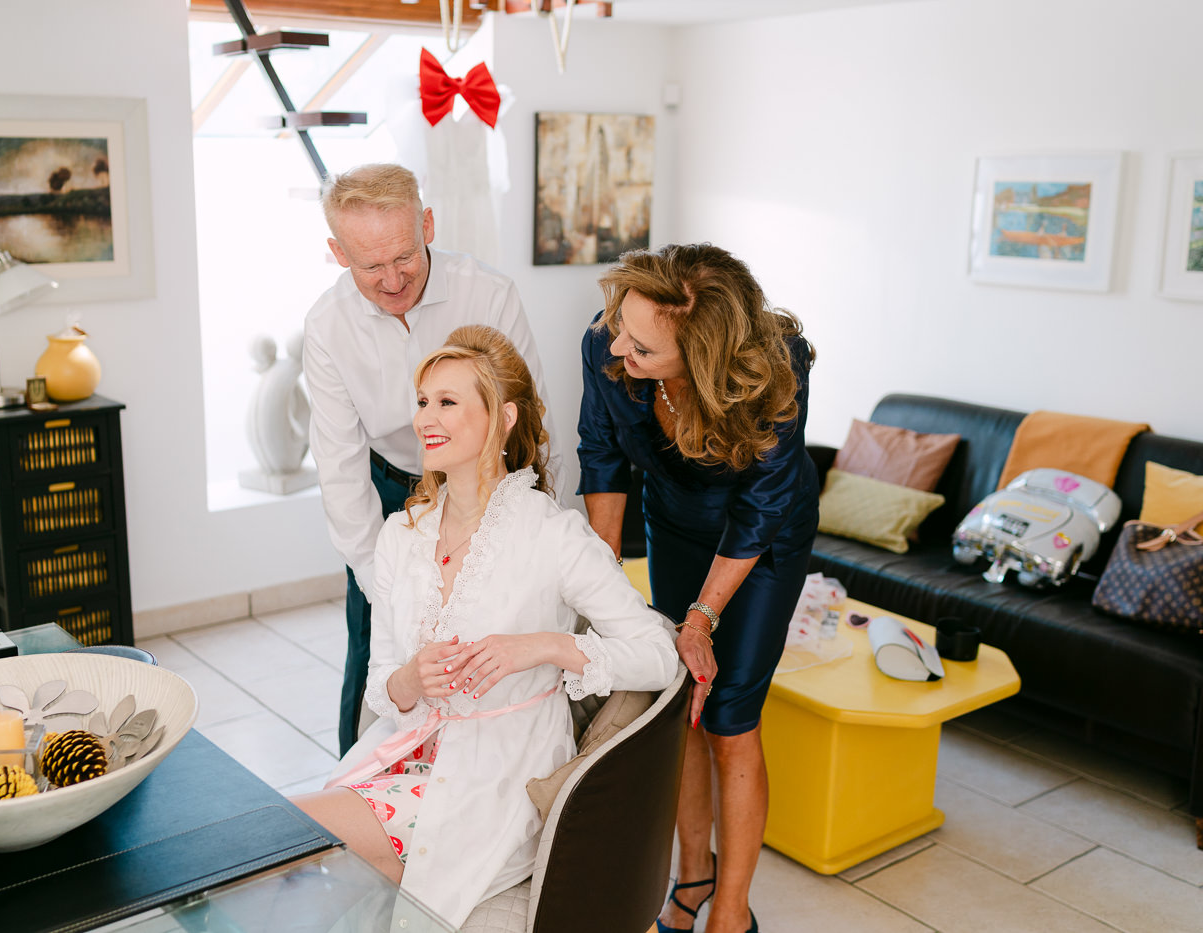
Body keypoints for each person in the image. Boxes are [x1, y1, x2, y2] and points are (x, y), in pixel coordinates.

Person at [293, 325, 678, 928]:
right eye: (422, 401)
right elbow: (380, 690)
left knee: (293, 841)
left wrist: (544, 647)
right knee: (295, 858)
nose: (425, 418)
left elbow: (658, 654)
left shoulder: (552, 535)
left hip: (498, 776)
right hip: (409, 753)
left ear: (502, 418)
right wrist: (411, 680)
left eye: (447, 402)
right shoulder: (402, 536)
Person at [576, 243, 819, 933]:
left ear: (703, 353)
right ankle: (692, 880)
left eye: (643, 346)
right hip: (674, 523)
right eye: (619, 323)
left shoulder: (778, 367)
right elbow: (602, 456)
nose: (617, 345)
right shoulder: (608, 341)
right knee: (681, 699)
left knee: (731, 715)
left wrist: (703, 615)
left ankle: (732, 912)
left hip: (761, 541)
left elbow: (762, 507)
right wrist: (602, 593)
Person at [302, 163, 559, 756]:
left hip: (490, 482)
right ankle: (362, 782)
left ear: (428, 225)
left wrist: (532, 524)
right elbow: (340, 466)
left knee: (493, 631)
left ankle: (484, 767)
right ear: (338, 253)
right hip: (392, 490)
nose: (392, 281)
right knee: (377, 648)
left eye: (405, 257)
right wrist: (382, 584)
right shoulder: (326, 325)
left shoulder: (489, 294)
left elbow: (530, 425)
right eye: (370, 266)